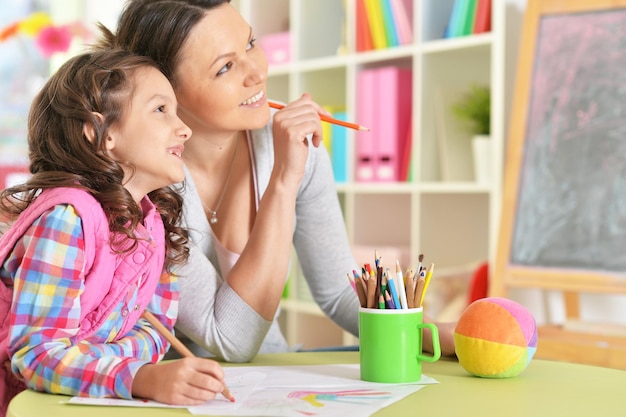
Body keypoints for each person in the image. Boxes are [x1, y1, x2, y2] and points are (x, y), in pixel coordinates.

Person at [95, 0, 457, 362]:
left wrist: (435, 333)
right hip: (184, 388)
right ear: (167, 90)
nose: (256, 73)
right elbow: (229, 340)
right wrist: (284, 179)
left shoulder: (290, 144)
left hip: (273, 376)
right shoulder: (143, 180)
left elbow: (338, 292)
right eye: (225, 68)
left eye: (250, 44)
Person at [0, 49, 230, 415]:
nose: (184, 128)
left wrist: (101, 361)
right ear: (100, 133)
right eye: (160, 110)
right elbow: (35, 355)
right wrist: (140, 377)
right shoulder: (66, 219)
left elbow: (156, 334)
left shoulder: (154, 222)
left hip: (86, 402)